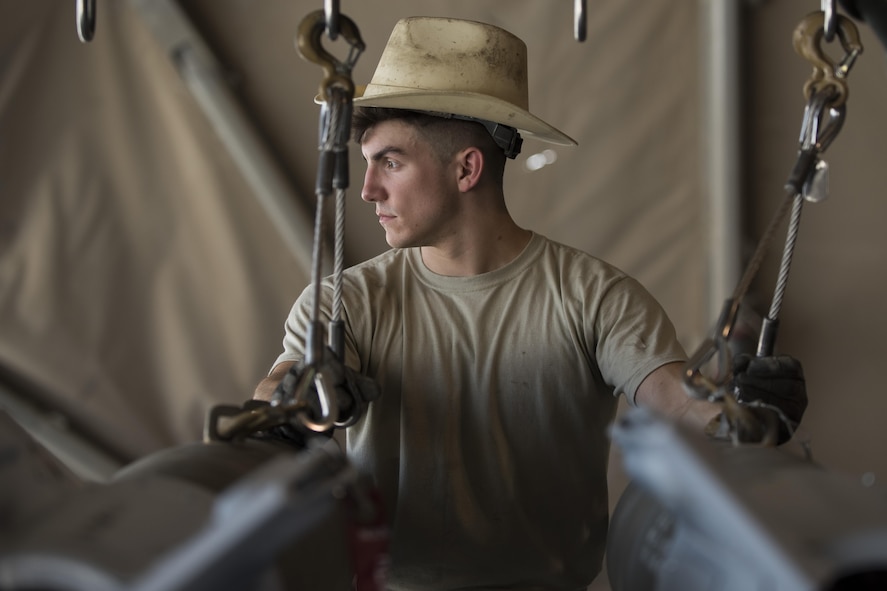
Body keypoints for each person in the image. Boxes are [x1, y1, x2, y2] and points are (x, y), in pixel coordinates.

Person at [254, 16, 807, 590]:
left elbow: (681, 407)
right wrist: (291, 399)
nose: (367, 188)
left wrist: (749, 412)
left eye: (390, 162)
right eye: (367, 163)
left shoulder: (595, 296)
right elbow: (274, 394)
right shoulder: (345, 302)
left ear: (466, 168)